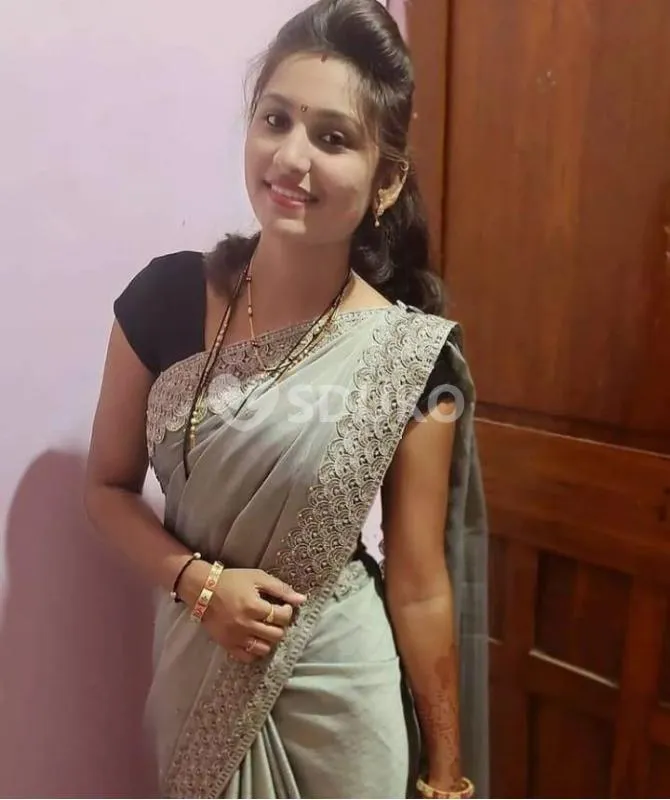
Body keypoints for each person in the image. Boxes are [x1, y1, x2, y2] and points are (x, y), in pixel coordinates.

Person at [84, 0, 488, 797]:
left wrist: (446, 770)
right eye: (276, 120)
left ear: (386, 180)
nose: (292, 157)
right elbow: (105, 489)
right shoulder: (163, 301)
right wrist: (199, 584)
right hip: (198, 677)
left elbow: (418, 584)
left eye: (333, 138)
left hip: (345, 706)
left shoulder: (414, 360)